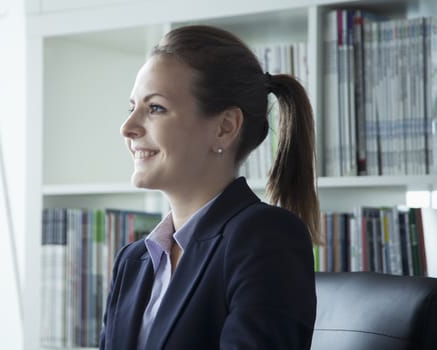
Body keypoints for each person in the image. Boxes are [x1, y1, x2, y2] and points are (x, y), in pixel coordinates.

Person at [100, 24, 320, 350]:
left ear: (224, 128)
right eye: (132, 107)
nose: (127, 127)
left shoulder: (266, 238)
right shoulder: (133, 262)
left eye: (155, 108)